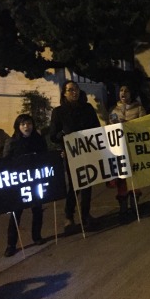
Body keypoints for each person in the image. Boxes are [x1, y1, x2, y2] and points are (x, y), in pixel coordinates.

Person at [50, 81, 101, 232]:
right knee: (75, 185)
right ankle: (69, 216)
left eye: (76, 89)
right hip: (71, 154)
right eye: (70, 90)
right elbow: (53, 135)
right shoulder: (58, 112)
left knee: (88, 183)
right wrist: (63, 134)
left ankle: (86, 215)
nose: (74, 92)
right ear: (64, 93)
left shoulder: (88, 108)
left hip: (88, 151)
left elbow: (96, 128)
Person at [2, 114, 48, 257]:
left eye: (28, 124)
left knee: (37, 209)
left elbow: (46, 156)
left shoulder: (38, 140)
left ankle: (37, 236)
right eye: (23, 124)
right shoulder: (12, 142)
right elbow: (5, 161)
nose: (26, 127)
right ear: (18, 126)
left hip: (35, 180)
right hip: (19, 183)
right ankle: (11, 244)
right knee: (16, 213)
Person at [108, 84, 146, 222]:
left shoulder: (139, 108)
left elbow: (143, 125)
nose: (123, 93)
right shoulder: (114, 111)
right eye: (121, 90)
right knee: (122, 178)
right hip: (120, 150)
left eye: (126, 90)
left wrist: (128, 124)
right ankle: (123, 208)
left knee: (134, 176)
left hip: (133, 148)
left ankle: (135, 205)